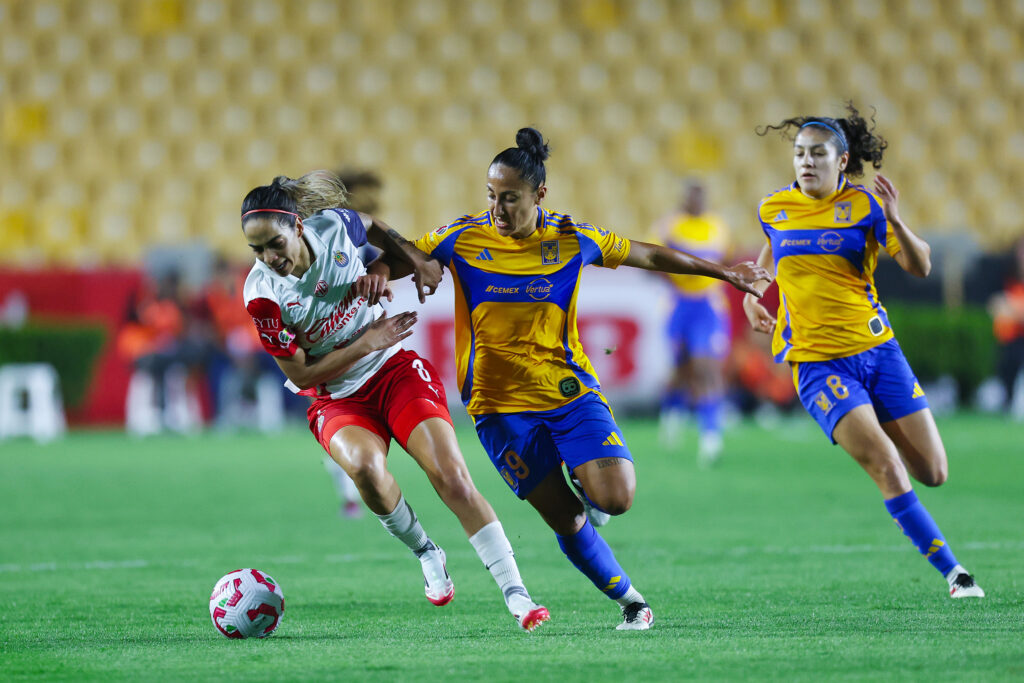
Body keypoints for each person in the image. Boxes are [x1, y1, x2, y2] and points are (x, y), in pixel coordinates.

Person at [376, 128, 768, 630]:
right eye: (491, 196)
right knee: (564, 518)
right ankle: (632, 602)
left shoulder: (571, 238)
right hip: (498, 408)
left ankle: (595, 494)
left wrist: (724, 273)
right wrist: (380, 272)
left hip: (568, 390)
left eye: (510, 198)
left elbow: (648, 254)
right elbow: (403, 256)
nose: (497, 208)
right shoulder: (461, 237)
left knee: (616, 498)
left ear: (540, 194)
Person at [239, 171, 549, 631]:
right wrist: (365, 340)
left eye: (274, 244)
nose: (268, 258)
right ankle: (426, 551)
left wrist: (411, 261)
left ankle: (517, 594)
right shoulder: (263, 296)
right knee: (364, 469)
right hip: (337, 397)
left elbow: (376, 227)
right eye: (257, 250)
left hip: (393, 370)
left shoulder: (333, 227)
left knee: (451, 476)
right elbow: (301, 372)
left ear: (298, 227)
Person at [743, 104, 984, 599]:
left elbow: (920, 267)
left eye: (817, 154)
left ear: (842, 159)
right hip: (817, 363)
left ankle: (875, 433)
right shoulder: (774, 208)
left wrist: (896, 218)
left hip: (879, 353)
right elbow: (766, 260)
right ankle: (956, 575)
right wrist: (752, 296)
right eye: (799, 154)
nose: (806, 162)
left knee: (933, 472)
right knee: (886, 466)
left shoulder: (867, 208)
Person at [650, 179, 732, 465]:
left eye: (701, 195)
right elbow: (652, 263)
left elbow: (725, 263)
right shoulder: (669, 227)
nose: (697, 201)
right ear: (683, 199)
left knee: (705, 366)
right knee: (681, 369)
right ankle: (672, 414)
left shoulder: (717, 226)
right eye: (692, 196)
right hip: (679, 304)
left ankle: (711, 436)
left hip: (707, 306)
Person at [989, 237, 1024, 417]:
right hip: (1010, 340)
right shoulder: (1004, 277)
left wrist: (1013, 308)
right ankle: (1007, 400)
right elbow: (995, 306)